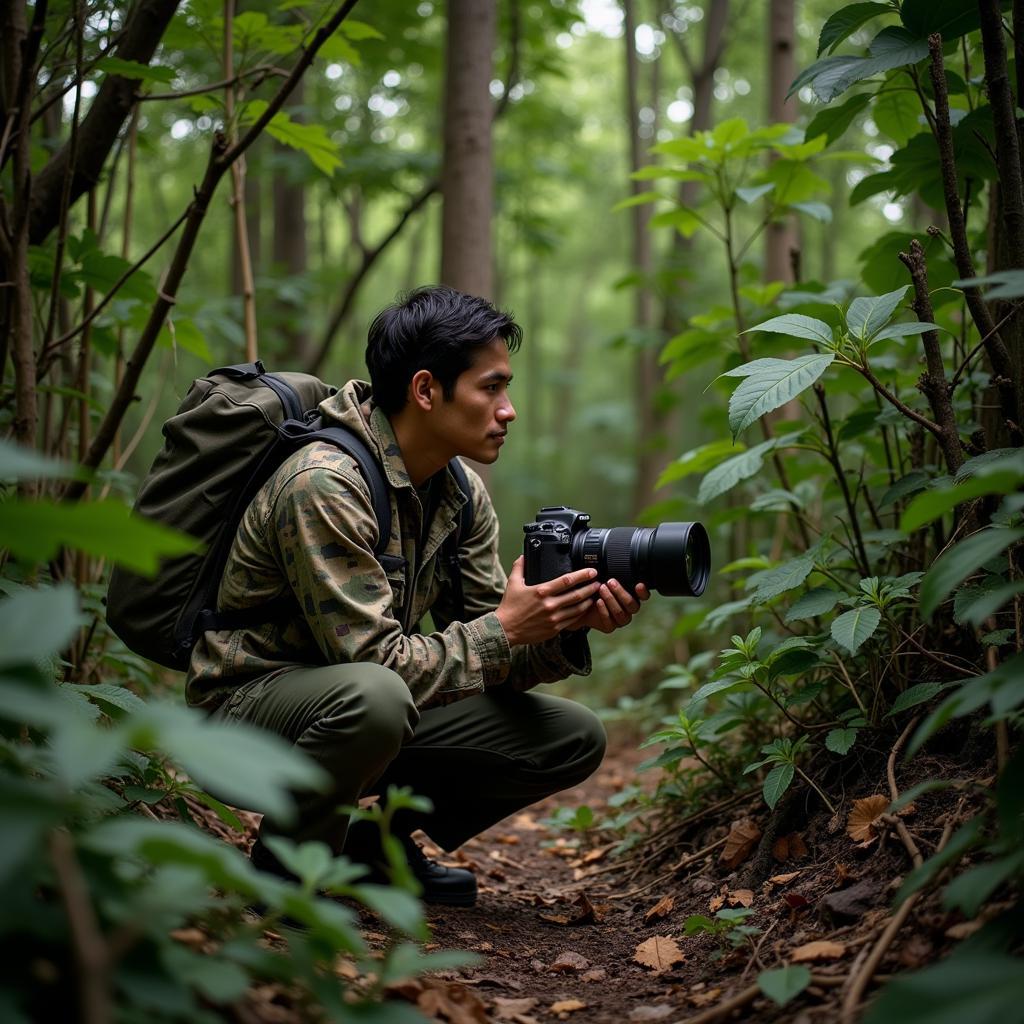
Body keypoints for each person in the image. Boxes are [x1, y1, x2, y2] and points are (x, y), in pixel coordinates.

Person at [186, 286, 648, 906]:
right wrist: (507, 629)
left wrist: (562, 624)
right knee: (375, 696)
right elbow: (382, 666)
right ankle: (287, 873)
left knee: (572, 735)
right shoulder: (324, 484)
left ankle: (373, 847)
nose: (508, 409)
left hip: (356, 704)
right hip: (244, 714)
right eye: (491, 388)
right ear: (427, 390)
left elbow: (490, 658)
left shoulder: (459, 494)